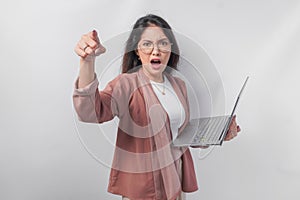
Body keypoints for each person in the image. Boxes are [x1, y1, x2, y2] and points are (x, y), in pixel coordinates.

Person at [73, 14, 241, 200]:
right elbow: (90, 112)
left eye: (163, 43)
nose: (156, 51)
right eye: (147, 44)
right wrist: (87, 61)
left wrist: (219, 132)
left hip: (175, 179)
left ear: (170, 49)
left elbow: (180, 133)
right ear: (137, 50)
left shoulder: (178, 85)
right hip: (144, 187)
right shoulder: (126, 84)